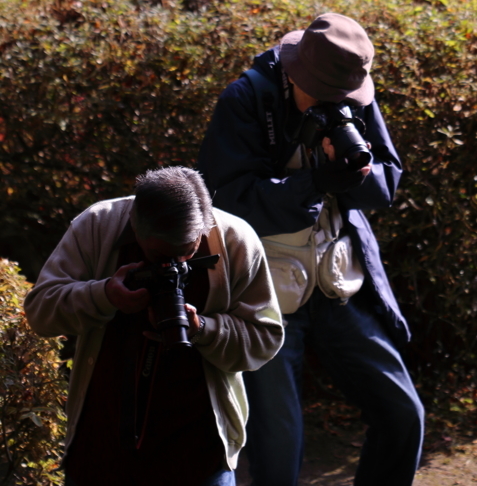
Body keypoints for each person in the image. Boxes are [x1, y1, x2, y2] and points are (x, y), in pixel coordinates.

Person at [198, 12, 424, 486]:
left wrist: (353, 176)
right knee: (278, 446)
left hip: (340, 284)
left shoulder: (351, 93)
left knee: (403, 415)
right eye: (326, 98)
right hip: (266, 294)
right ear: (297, 74)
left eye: (345, 99)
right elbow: (227, 201)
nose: (338, 107)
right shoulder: (247, 99)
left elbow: (386, 180)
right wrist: (314, 183)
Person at [24, 166, 284, 486]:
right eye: (159, 255)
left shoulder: (235, 240)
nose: (173, 266)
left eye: (186, 254)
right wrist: (104, 295)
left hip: (199, 449)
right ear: (134, 223)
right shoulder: (97, 225)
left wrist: (202, 328)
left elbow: (265, 337)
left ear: (205, 226)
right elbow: (40, 311)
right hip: (102, 444)